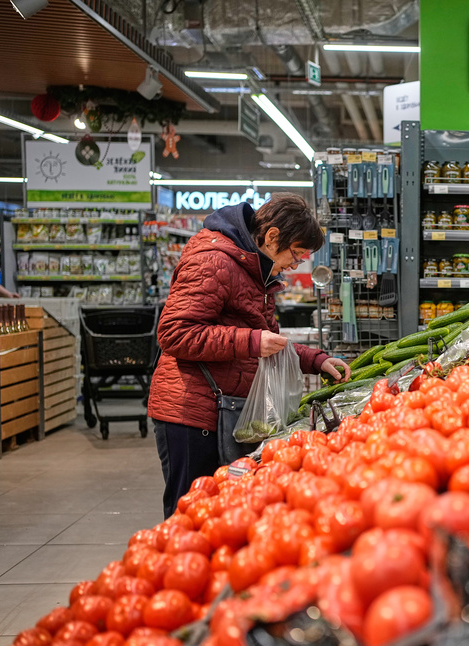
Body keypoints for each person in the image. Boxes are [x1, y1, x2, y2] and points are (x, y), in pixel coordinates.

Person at [147, 193, 349, 518]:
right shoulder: (213, 261)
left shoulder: (255, 269)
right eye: (296, 255)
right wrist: (251, 342)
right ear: (271, 237)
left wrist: (315, 359)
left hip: (223, 410)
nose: (295, 265)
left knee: (218, 517)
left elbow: (263, 338)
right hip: (191, 414)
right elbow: (174, 333)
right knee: (189, 518)